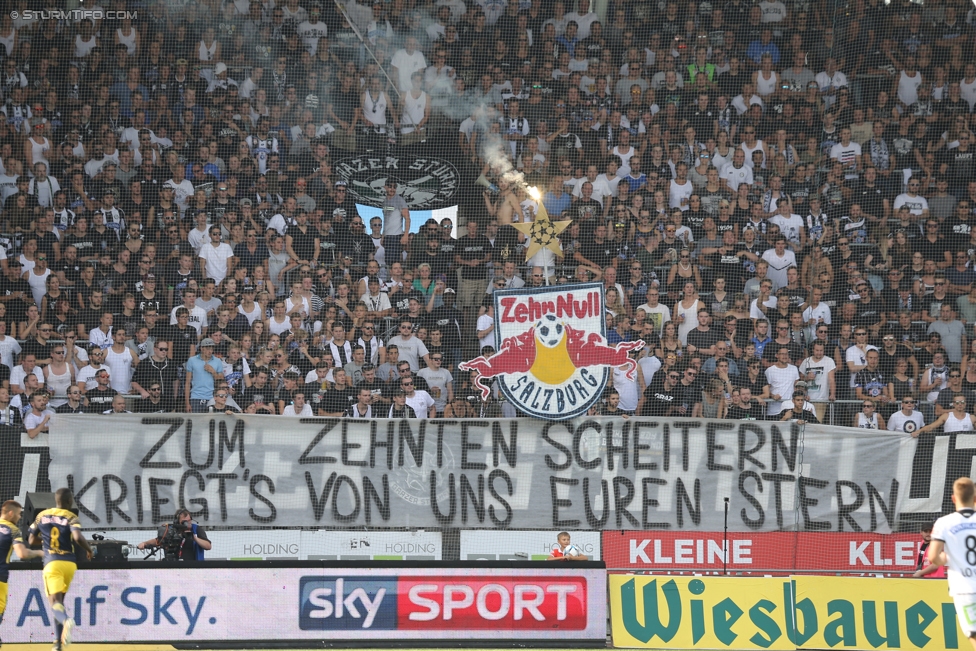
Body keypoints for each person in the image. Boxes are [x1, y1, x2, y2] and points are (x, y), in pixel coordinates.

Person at [27, 488, 93, 651]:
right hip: (70, 564)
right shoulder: (72, 516)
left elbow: (31, 540)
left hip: (52, 563)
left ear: (56, 500)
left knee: (55, 604)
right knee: (59, 603)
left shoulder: (42, 515)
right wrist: (89, 549)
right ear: (69, 501)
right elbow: (77, 537)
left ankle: (66, 621)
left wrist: (46, 540)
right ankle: (58, 643)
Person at [926, 477, 976, 651]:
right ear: (975, 498)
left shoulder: (944, 523)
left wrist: (945, 558)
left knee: (974, 636)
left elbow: (933, 557)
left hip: (965, 589)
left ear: (953, 498)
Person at [0, 499, 44, 641]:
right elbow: (22, 554)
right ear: (11, 513)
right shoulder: (13, 530)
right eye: (19, 514)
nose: (20, 518)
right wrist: (39, 553)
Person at [135, 508, 211, 561]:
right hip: (173, 566)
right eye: (185, 522)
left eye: (189, 521)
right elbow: (158, 541)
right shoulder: (172, 530)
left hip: (193, 567)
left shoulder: (196, 529)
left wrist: (195, 538)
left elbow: (208, 546)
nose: (188, 524)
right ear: (177, 522)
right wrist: (145, 543)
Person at [185, 337, 224, 413]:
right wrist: (187, 403)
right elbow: (187, 383)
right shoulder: (192, 360)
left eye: (212, 348)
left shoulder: (217, 361)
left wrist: (213, 372)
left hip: (212, 397)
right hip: (195, 397)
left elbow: (221, 382)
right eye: (208, 348)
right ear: (202, 348)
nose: (210, 351)